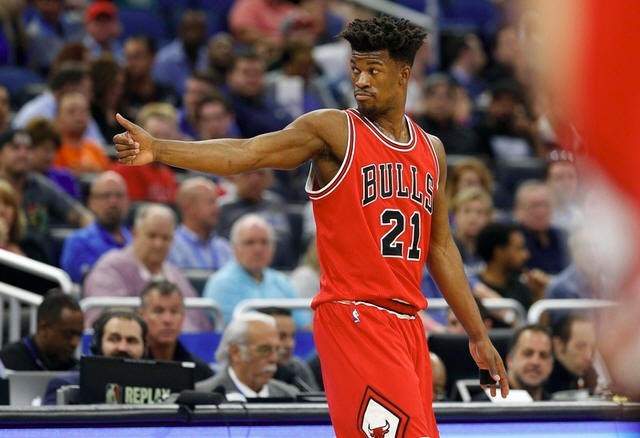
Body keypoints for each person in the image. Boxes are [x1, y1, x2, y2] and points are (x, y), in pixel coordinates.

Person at [114, 16, 508, 437]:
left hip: (407, 322)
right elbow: (246, 153)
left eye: (374, 70)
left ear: (404, 74)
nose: (361, 81)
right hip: (354, 315)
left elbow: (441, 248)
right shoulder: (333, 130)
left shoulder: (432, 150)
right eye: (355, 69)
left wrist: (477, 334)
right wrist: (160, 149)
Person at [83, 203, 211, 332]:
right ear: (135, 234)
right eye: (152, 236)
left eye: (166, 238)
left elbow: (200, 323)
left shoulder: (175, 274)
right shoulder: (110, 268)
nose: (158, 244)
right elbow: (105, 321)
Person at [203, 214, 308, 328]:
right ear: (233, 247)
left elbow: (305, 325)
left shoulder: (282, 281)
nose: (258, 249)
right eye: (250, 242)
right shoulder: (221, 283)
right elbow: (239, 330)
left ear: (273, 247)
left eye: (264, 242)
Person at [42, 309, 147, 405]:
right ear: (97, 344)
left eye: (131, 341)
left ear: (145, 347)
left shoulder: (156, 386)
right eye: (114, 339)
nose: (122, 347)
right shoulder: (64, 385)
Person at [195, 312, 299, 401]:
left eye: (276, 349)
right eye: (264, 349)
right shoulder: (203, 395)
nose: (274, 359)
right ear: (235, 352)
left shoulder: (290, 395)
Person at [60, 171, 131, 283]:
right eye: (106, 196)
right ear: (91, 202)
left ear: (128, 202)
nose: (113, 202)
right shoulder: (79, 242)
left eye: (119, 196)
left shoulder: (137, 241)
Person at [138, 280, 214, 382]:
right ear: (142, 315)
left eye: (174, 311)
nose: (167, 320)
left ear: (183, 316)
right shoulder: (131, 367)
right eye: (158, 311)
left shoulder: (200, 372)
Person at [0, 291, 83, 371]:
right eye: (68, 334)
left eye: (79, 335)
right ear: (44, 328)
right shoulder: (7, 363)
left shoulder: (75, 369)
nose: (75, 343)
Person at [476, 325, 554, 401]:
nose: (535, 362)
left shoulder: (557, 405)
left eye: (544, 355)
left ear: (551, 364)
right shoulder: (482, 405)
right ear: (509, 360)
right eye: (528, 353)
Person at [168, 177, 232, 270]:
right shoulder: (170, 246)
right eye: (210, 203)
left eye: (216, 203)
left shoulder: (224, 248)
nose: (217, 209)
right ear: (188, 208)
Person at [259, 307, 318, 392]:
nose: (290, 345)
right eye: (281, 336)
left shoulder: (298, 369)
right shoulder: (247, 372)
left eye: (292, 336)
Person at [546, 314, 598, 395]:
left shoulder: (592, 378)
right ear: (558, 345)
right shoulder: (543, 384)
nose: (589, 356)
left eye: (593, 348)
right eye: (580, 347)